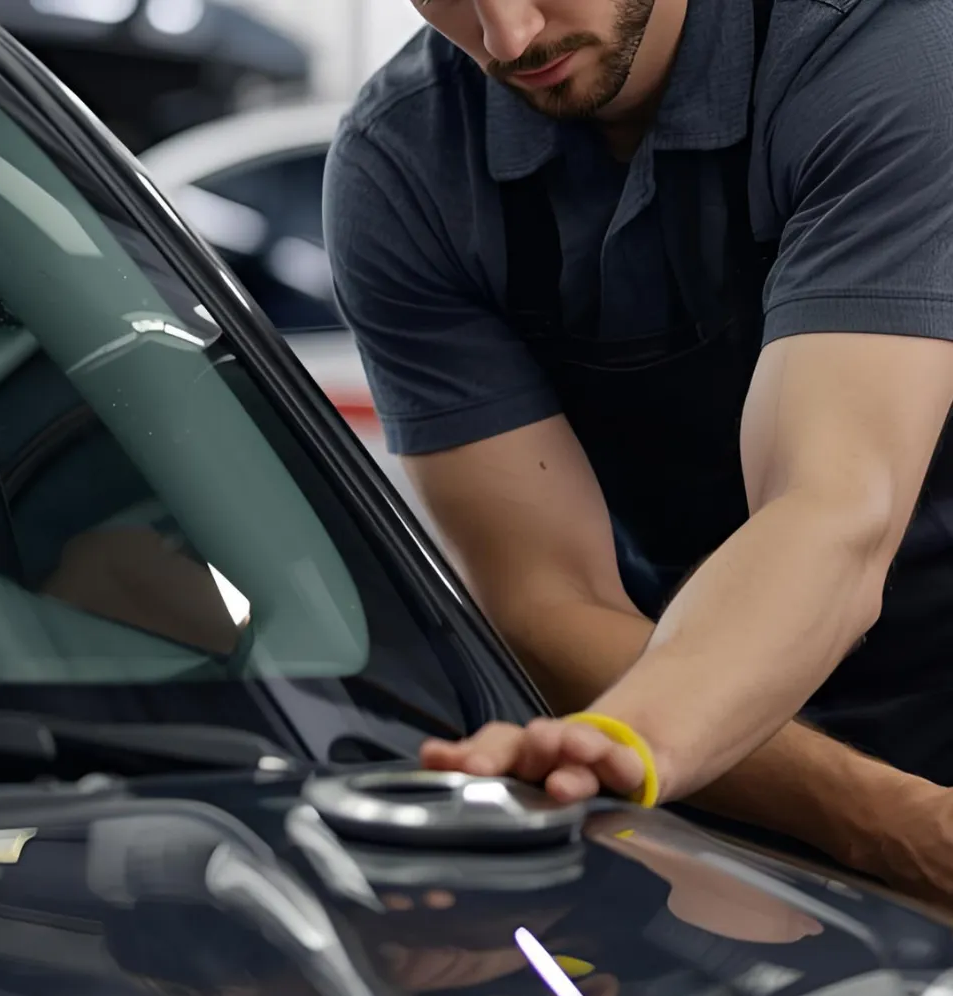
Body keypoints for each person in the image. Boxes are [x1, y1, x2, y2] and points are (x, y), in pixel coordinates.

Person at [323, 0, 953, 902]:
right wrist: (878, 819)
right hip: (717, 747)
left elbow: (832, 508)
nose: (507, 38)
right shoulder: (408, 165)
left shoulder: (886, 45)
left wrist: (641, 735)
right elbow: (549, 599)